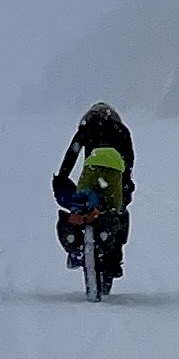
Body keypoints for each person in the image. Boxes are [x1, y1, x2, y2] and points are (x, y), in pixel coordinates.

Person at [52, 101, 135, 276]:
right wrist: (126, 182)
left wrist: (62, 176)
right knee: (119, 212)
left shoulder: (87, 127)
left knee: (80, 203)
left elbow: (72, 154)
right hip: (114, 175)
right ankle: (115, 259)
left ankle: (75, 250)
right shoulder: (122, 131)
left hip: (91, 171)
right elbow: (129, 160)